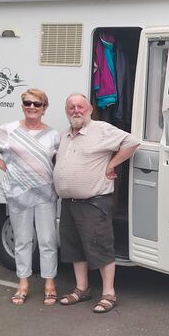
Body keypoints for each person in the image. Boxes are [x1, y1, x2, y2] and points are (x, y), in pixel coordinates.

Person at [0, 88, 60, 306]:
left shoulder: (54, 135)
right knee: (22, 240)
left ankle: (50, 284)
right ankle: (23, 284)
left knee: (48, 240)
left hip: (45, 194)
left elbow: (60, 163)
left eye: (37, 104)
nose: (32, 107)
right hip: (18, 193)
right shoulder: (9, 130)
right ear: (22, 106)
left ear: (44, 109)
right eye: (28, 103)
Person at [54, 93, 139, 313]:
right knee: (74, 248)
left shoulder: (101, 129)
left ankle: (109, 293)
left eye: (80, 106)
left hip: (94, 202)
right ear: (66, 111)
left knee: (101, 247)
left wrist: (112, 165)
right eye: (71, 107)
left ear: (90, 109)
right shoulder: (65, 135)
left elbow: (131, 142)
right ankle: (82, 289)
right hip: (69, 203)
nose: (76, 110)